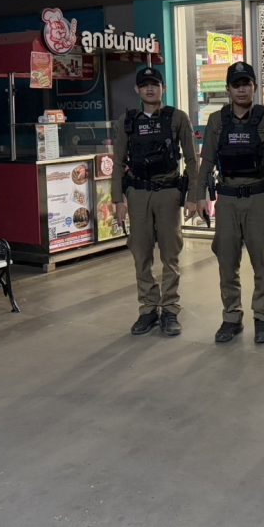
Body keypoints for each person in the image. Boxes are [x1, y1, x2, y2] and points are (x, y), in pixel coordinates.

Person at [188, 61, 264, 344]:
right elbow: (207, 160)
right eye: (236, 85)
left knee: (262, 262)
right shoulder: (217, 121)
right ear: (228, 89)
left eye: (246, 84)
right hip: (227, 199)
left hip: (257, 198)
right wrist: (199, 196)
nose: (242, 90)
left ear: (254, 87)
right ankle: (231, 317)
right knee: (227, 260)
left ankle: (262, 317)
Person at [113, 67, 197, 337]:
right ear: (137, 90)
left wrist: (194, 196)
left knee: (170, 254)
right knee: (141, 253)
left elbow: (192, 159)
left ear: (164, 88)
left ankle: (170, 309)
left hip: (168, 193)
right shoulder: (127, 121)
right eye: (145, 85)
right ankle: (148, 309)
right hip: (137, 194)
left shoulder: (177, 118)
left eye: (155, 84)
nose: (150, 89)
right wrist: (117, 199)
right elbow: (118, 162)